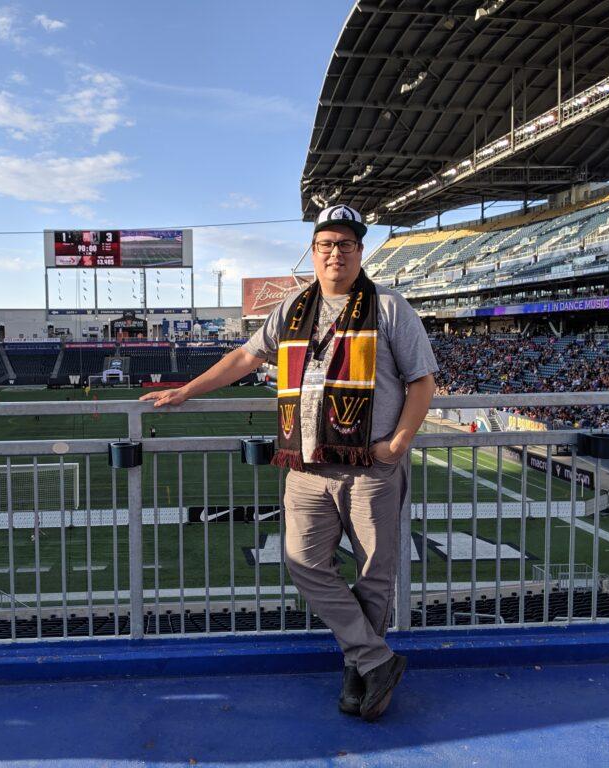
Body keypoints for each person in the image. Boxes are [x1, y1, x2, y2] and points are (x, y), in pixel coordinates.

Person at [141, 204, 438, 722]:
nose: (335, 253)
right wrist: (187, 390)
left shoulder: (390, 307)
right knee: (302, 564)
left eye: (345, 244)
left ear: (359, 252)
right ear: (314, 252)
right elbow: (245, 357)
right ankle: (374, 658)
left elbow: (422, 381)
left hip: (371, 466)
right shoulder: (294, 309)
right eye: (326, 244)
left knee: (374, 575)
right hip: (304, 466)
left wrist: (397, 444)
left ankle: (360, 673)